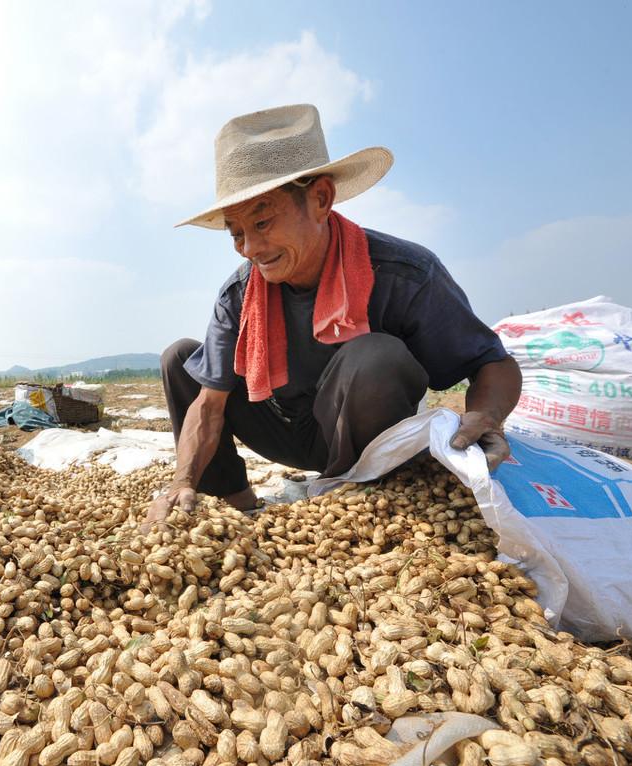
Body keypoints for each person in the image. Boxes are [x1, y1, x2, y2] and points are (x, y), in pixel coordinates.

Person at [145, 104, 521, 526]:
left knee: (375, 355)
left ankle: (359, 499)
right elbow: (210, 406)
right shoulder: (240, 293)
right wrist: (182, 480)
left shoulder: (404, 275)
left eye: (264, 222)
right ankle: (235, 504)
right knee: (181, 359)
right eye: (237, 233)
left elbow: (492, 362)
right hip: (284, 429)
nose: (250, 248)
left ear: (320, 199)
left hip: (365, 435)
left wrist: (487, 416)